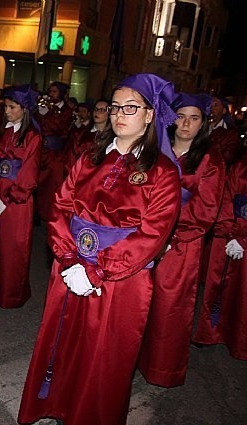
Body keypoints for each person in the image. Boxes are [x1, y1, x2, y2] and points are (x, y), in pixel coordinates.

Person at [18, 74, 181, 425]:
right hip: (72, 265)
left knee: (104, 354)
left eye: (131, 108)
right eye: (116, 107)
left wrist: (96, 270)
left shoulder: (162, 171)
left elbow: (152, 235)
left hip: (120, 278)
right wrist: (69, 258)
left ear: (150, 115)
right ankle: (58, 405)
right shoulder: (91, 155)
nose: (120, 114)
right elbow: (61, 206)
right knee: (65, 343)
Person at [137, 93, 225, 388]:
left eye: (194, 117)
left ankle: (161, 369)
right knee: (138, 304)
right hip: (144, 241)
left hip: (180, 245)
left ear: (203, 124)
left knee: (168, 309)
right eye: (181, 116)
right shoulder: (155, 153)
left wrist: (167, 236)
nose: (186, 123)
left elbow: (206, 212)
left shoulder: (209, 162)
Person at [0, 84, 43, 308]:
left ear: (24, 109)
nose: (6, 111)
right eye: (5, 106)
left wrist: (8, 199)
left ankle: (10, 294)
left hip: (16, 203)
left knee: (13, 249)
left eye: (12, 107)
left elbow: (29, 172)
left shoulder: (32, 137)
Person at [192, 154, 247, 360]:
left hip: (242, 235)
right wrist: (231, 230)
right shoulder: (240, 165)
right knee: (224, 287)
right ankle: (215, 332)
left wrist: (244, 238)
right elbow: (225, 199)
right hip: (232, 234)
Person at [34, 81, 74, 222]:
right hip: (41, 151)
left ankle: (49, 214)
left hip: (55, 154)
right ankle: (36, 213)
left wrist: (47, 115)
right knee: (35, 182)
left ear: (62, 94)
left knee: (51, 186)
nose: (51, 95)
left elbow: (59, 128)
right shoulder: (45, 108)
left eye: (54, 92)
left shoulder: (67, 111)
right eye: (50, 91)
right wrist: (39, 114)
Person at [63, 99, 108, 175]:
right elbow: (70, 159)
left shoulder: (112, 138)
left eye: (102, 110)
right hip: (79, 176)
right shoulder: (81, 134)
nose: (97, 112)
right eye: (96, 109)